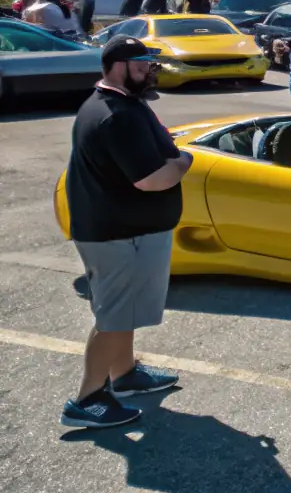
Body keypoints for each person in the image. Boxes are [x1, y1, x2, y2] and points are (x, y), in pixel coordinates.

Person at [61, 35, 188, 428]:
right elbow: (150, 180)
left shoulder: (123, 104)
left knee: (123, 313)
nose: (150, 68)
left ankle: (125, 376)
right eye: (141, 63)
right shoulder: (115, 115)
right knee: (114, 318)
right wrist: (183, 161)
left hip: (126, 231)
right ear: (117, 66)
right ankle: (86, 401)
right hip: (118, 236)